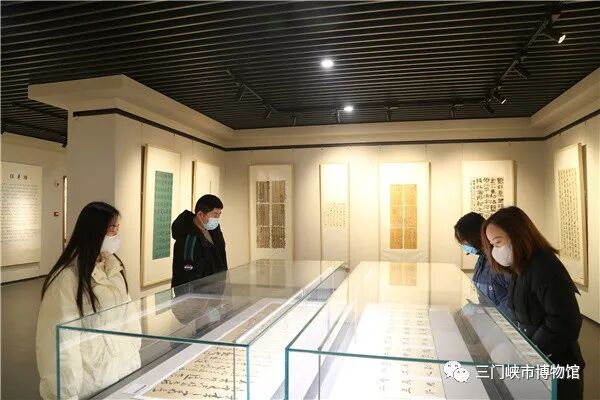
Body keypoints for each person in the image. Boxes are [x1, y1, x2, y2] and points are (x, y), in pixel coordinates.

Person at [36, 202, 140, 400]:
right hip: (91, 381)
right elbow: (60, 341)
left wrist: (133, 352)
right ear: (94, 231)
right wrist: (67, 393)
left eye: (117, 228)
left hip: (120, 370)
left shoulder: (113, 268)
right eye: (112, 228)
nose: (116, 234)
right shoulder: (67, 278)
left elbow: (129, 317)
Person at [482, 206, 584, 399]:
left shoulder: (543, 265)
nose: (495, 250)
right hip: (536, 359)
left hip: (556, 363)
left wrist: (533, 350)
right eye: (492, 245)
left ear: (517, 235)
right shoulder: (520, 266)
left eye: (498, 242)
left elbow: (564, 320)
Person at [454, 212, 512, 317]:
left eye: (464, 242)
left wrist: (485, 310)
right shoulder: (482, 259)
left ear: (474, 237)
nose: (464, 246)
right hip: (492, 318)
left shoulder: (501, 259)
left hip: (505, 320)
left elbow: (513, 302)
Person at [171, 194, 227, 289]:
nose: (217, 219)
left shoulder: (214, 231)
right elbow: (187, 277)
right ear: (200, 215)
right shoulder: (188, 240)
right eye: (215, 215)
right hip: (197, 294)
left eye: (219, 215)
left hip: (216, 290)